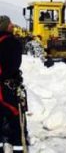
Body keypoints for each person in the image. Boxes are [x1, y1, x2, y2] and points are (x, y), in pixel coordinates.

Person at [0, 16, 29, 153]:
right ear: (6, 26)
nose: (12, 25)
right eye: (10, 23)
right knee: (15, 119)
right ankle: (18, 147)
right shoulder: (13, 43)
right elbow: (13, 66)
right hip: (7, 87)